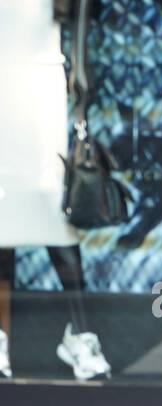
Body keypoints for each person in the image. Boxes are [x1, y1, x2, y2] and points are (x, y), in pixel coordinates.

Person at [0, 0, 111, 381]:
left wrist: (81, 85)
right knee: (4, 207)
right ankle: (1, 338)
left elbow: (82, 12)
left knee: (50, 201)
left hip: (41, 76)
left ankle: (80, 330)